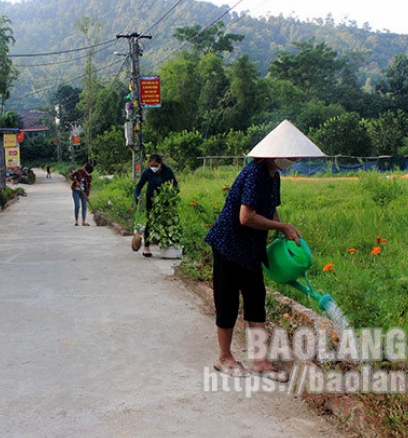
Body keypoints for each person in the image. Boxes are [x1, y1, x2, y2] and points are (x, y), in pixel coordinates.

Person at [204, 120, 324, 379]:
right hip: (228, 245)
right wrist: (281, 228)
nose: (293, 159)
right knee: (227, 301)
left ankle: (259, 361)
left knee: (256, 301)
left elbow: (270, 209)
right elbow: (246, 217)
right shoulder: (255, 174)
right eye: (290, 155)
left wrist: (279, 231)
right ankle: (224, 357)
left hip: (251, 248)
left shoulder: (273, 177)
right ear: (275, 154)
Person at [134, 154, 178, 257]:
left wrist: (172, 193)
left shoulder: (168, 171)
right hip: (151, 199)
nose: (153, 168)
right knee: (150, 222)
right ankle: (146, 248)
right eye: (151, 165)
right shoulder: (147, 172)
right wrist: (137, 196)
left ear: (160, 164)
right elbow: (139, 186)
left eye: (155, 165)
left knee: (167, 222)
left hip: (164, 200)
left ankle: (168, 245)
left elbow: (175, 183)